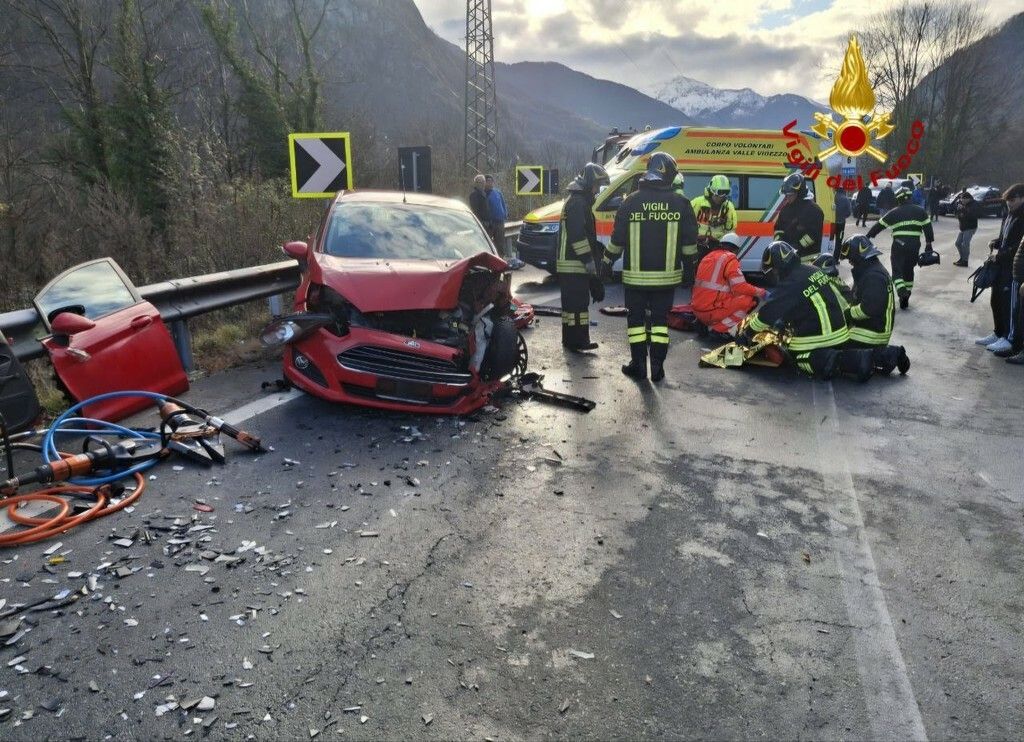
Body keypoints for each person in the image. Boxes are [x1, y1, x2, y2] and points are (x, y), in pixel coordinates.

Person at [605, 152, 698, 381]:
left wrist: (606, 262)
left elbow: (617, 240)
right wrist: (689, 270)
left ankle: (638, 366)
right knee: (660, 323)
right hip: (666, 281)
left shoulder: (630, 202)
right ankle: (657, 367)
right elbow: (689, 245)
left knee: (636, 323)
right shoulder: (682, 204)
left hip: (635, 280)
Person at [743, 241, 874, 381]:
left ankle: (842, 360)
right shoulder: (814, 270)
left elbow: (768, 312)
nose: (774, 273)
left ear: (779, 266)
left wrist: (748, 333)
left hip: (822, 336)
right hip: (841, 332)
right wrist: (783, 320)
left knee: (796, 357)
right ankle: (867, 356)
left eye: (773, 270)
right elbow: (800, 304)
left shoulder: (790, 282)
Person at [836, 235, 910, 375]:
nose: (850, 262)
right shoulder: (869, 270)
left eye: (851, 259)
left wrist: (847, 314)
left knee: (838, 352)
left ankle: (892, 354)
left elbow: (868, 309)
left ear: (859, 256)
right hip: (870, 327)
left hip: (872, 333)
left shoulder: (874, 277)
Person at [557, 163, 609, 352]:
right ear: (588, 184)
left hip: (570, 263)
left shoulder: (576, 201)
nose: (596, 190)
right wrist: (588, 261)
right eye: (596, 186)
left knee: (571, 307)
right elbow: (578, 236)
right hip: (574, 263)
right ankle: (578, 341)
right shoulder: (578, 203)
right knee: (577, 306)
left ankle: (571, 340)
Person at [975, 183, 1024, 355]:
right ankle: (998, 332)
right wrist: (996, 242)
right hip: (1001, 266)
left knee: (1009, 304)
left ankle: (1008, 338)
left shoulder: (1022, 217)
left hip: (1013, 268)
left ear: (1022, 198)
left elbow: (1018, 246)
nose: (1009, 203)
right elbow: (1005, 238)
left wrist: (1001, 255)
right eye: (1007, 200)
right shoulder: (1009, 214)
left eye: (1013, 199)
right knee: (995, 300)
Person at [866, 186, 934, 309]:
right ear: (910, 197)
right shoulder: (920, 211)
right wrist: (929, 244)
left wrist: (868, 236)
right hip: (914, 245)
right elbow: (928, 228)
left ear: (898, 199)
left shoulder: (894, 212)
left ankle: (902, 292)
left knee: (897, 271)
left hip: (899, 244)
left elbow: (879, 226)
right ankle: (907, 294)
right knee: (909, 270)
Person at [691, 232, 767, 341]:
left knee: (721, 295)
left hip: (696, 309)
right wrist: (762, 292)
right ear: (736, 249)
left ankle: (701, 323)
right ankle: (719, 330)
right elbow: (740, 287)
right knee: (751, 300)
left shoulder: (708, 256)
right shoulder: (730, 258)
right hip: (710, 311)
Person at [774, 172, 824, 257]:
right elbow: (778, 228)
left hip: (808, 258)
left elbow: (812, 235)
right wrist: (779, 244)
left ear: (799, 193)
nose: (787, 198)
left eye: (790, 195)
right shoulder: (785, 209)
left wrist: (794, 248)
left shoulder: (814, 210)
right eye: (786, 195)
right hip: (788, 257)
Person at [484, 175, 524, 269]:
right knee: (489, 242)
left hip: (500, 221)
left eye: (491, 181)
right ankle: (490, 261)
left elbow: (503, 204)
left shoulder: (497, 192)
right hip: (489, 222)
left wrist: (505, 214)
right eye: (488, 181)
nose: (490, 183)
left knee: (500, 242)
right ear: (485, 183)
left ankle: (500, 260)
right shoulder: (483, 194)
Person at [953, 190, 981, 267]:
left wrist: (963, 209)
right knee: (958, 243)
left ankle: (965, 261)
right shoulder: (963, 204)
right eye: (961, 199)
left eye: (963, 199)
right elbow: (959, 215)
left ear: (968, 199)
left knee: (965, 244)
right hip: (963, 227)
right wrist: (958, 210)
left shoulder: (974, 204)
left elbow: (972, 216)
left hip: (970, 227)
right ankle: (962, 258)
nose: (961, 201)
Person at [833, 187, 852, 251]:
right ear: (844, 191)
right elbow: (849, 212)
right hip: (841, 223)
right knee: (839, 240)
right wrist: (843, 216)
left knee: (828, 239)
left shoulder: (832, 197)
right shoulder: (846, 199)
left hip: (831, 222)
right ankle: (836, 255)